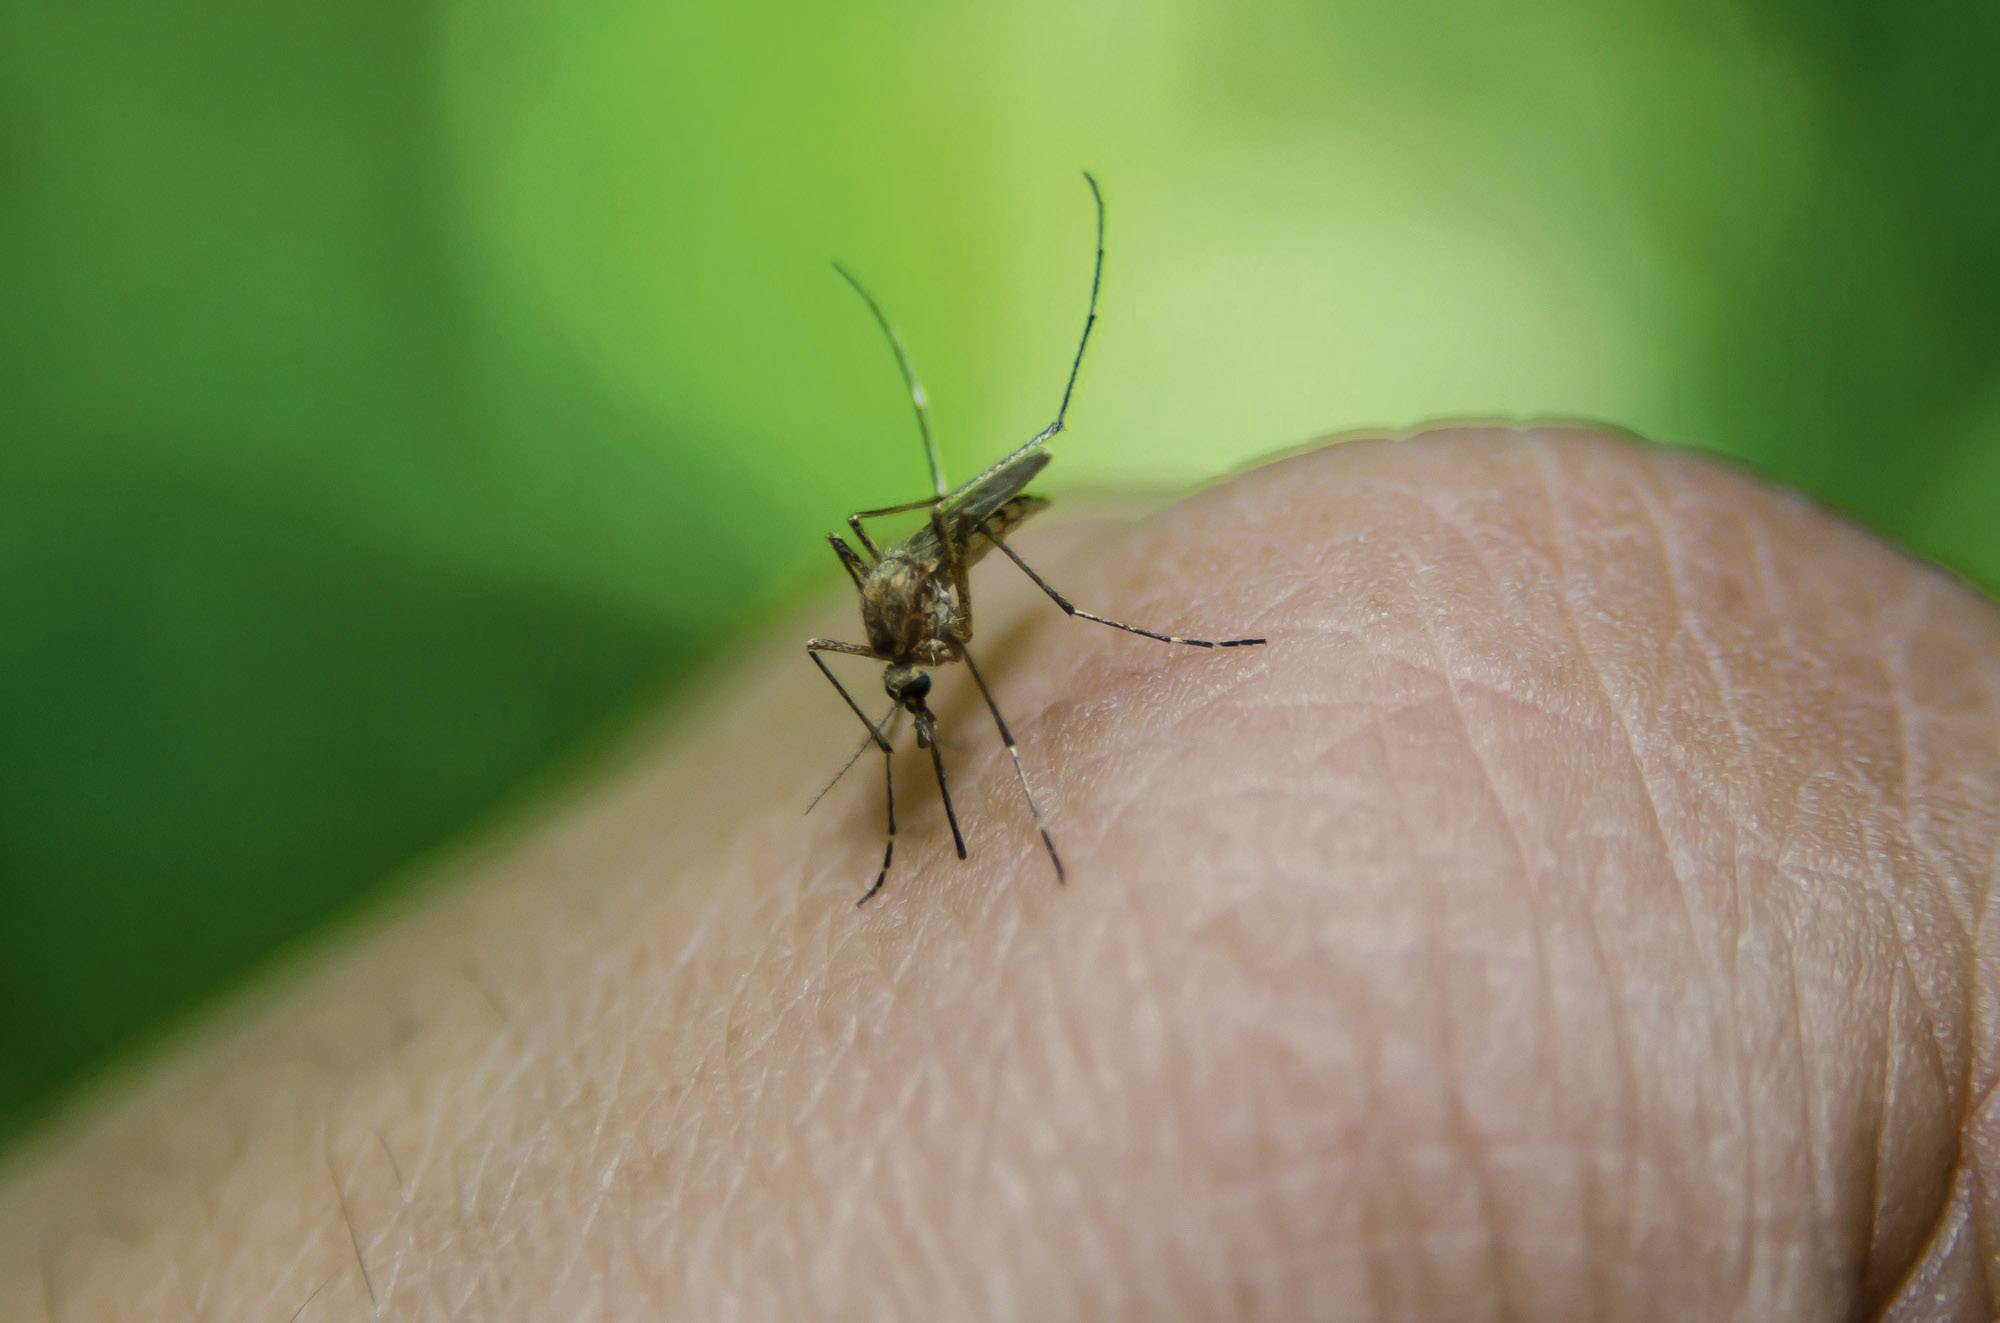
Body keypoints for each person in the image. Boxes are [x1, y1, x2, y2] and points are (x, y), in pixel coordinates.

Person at [2, 426, 1993, 1319]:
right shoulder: (876, 630)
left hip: (976, 519)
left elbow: (948, 588)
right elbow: (878, 645)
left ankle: (1105, 688)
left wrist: (1034, 661)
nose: (901, 655)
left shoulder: (955, 568)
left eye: (908, 636)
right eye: (902, 646)